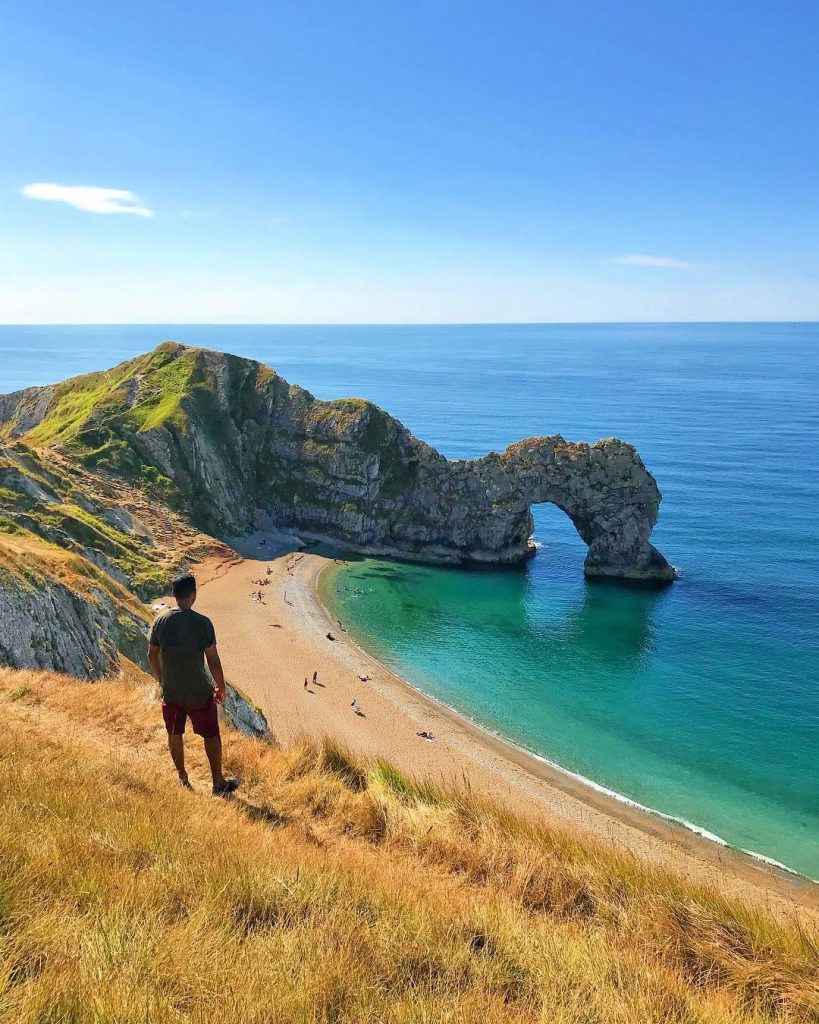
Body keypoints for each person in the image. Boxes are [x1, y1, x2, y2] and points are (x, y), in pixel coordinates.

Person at [148, 573, 239, 797]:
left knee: (174, 733)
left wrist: (162, 679)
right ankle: (218, 783)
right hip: (198, 691)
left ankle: (182, 777)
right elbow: (213, 661)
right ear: (193, 595)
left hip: (172, 691)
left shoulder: (161, 621)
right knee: (211, 734)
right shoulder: (202, 623)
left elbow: (151, 654)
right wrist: (221, 687)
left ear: (174, 595)